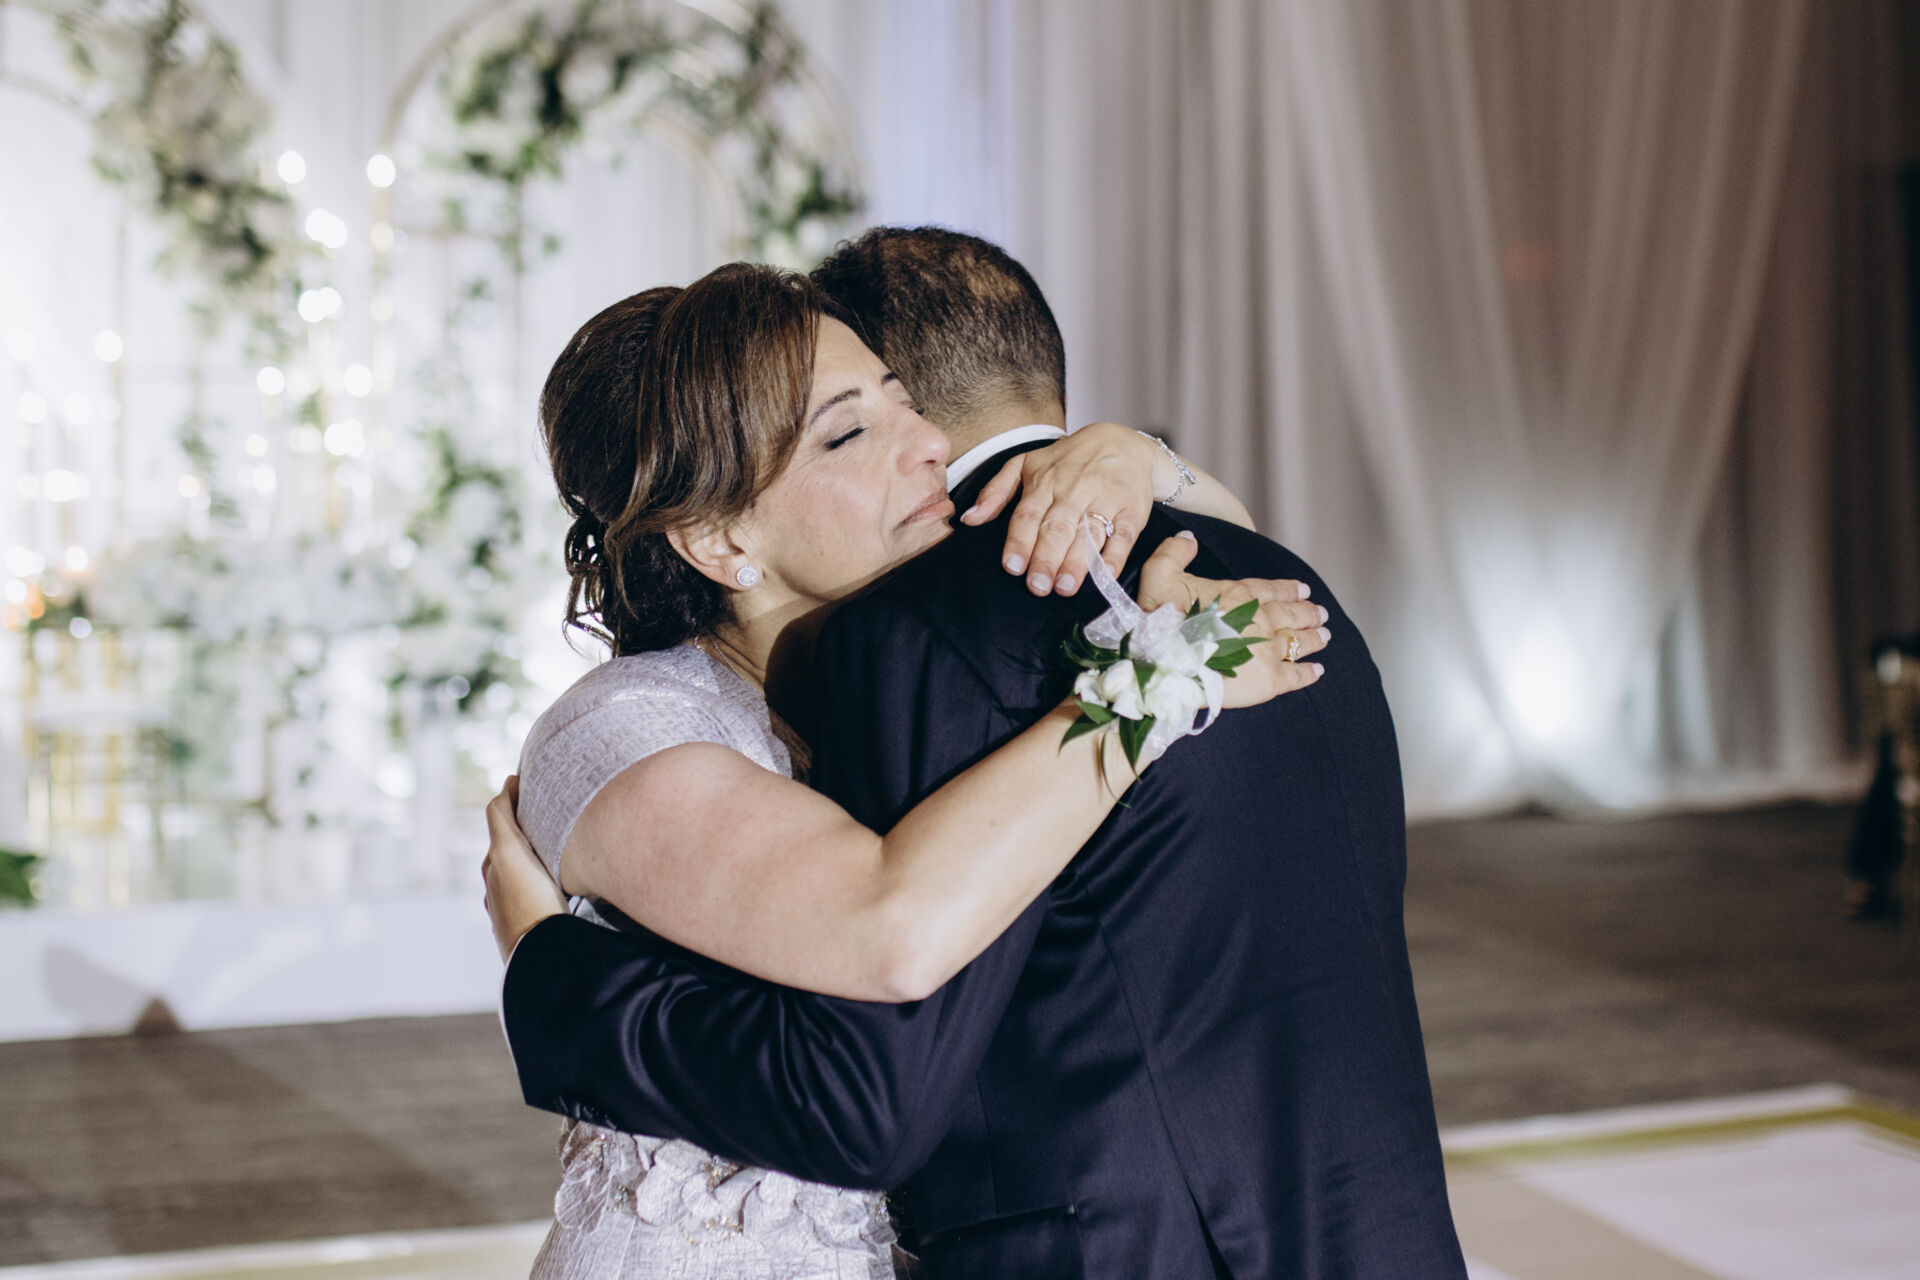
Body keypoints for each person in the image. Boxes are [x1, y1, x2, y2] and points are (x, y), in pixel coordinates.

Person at [489, 229, 1467, 1277]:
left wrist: (1139, 458)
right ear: (722, 539)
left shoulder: (899, 662)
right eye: (846, 433)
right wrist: (547, 971)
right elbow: (888, 945)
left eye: (905, 400)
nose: (926, 443)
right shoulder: (629, 724)